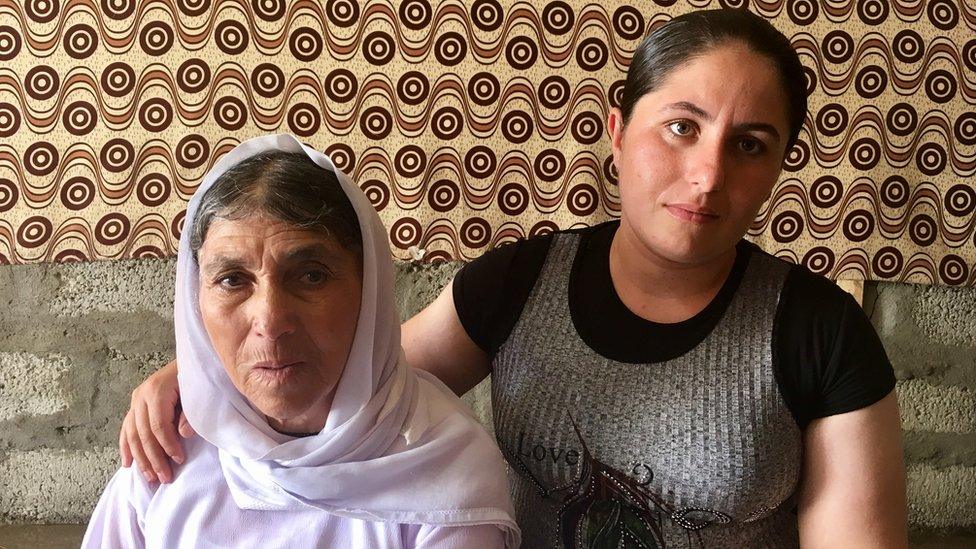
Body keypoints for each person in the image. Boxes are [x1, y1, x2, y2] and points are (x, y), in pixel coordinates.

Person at [118, 9, 908, 548]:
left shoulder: (818, 333)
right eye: (681, 126)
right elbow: (353, 370)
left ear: (777, 168)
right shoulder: (522, 281)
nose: (706, 175)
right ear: (619, 131)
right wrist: (196, 377)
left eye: (751, 144)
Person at [85, 135, 520, 548]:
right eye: (232, 280)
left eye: (311, 275)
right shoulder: (167, 453)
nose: (271, 321)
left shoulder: (445, 473)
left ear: (370, 293)